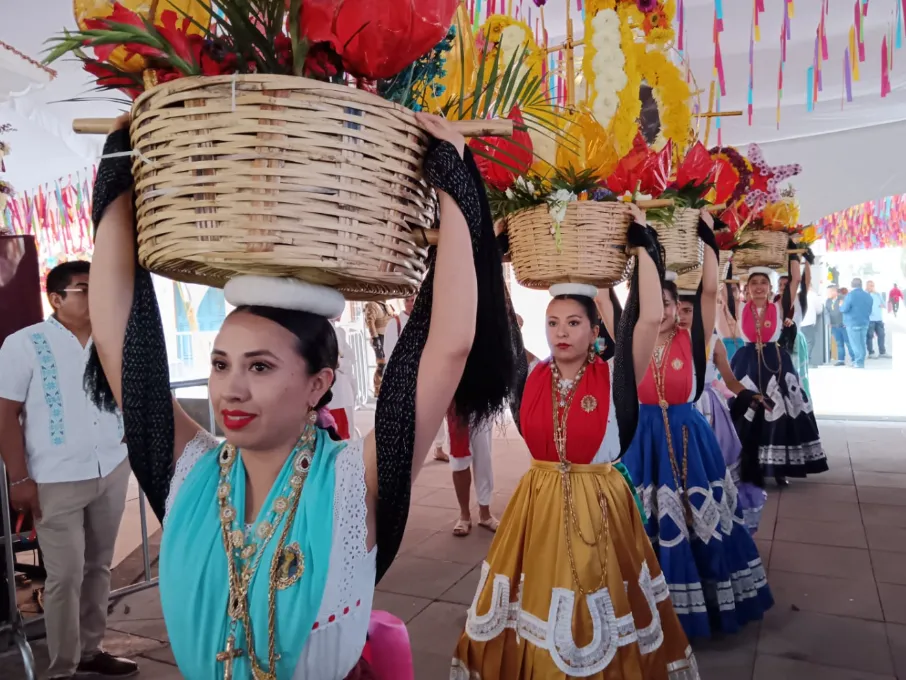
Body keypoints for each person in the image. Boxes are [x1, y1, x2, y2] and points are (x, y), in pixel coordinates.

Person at [86, 114, 517, 679]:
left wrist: (454, 183)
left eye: (260, 366)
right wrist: (119, 166)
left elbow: (448, 347)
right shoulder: (190, 473)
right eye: (220, 364)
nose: (230, 388)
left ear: (319, 384)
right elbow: (119, 336)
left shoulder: (349, 484)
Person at [452, 208, 699, 678]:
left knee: (597, 597)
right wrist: (494, 258)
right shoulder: (527, 378)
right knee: (535, 603)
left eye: (573, 324)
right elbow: (499, 320)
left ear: (593, 330)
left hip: (600, 507)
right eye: (553, 323)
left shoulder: (614, 379)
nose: (561, 333)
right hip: (536, 508)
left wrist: (643, 243)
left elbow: (645, 320)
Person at [623, 216, 773, 642]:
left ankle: (702, 603)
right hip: (642, 437)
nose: (672, 312)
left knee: (698, 520)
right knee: (643, 519)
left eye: (676, 305)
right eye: (663, 305)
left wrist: (709, 242)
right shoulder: (636, 338)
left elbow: (710, 291)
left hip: (690, 437)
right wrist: (639, 245)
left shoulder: (695, 340)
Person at [0, 260, 137, 680]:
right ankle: (63, 666)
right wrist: (20, 478)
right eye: (83, 288)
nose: (95, 295)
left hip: (110, 467)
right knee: (65, 574)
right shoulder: (25, 344)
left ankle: (92, 649)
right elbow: (5, 414)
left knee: (99, 566)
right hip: (54, 477)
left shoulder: (110, 339)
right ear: (56, 299)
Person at [729, 259, 828, 486]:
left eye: (764, 282)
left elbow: (794, 281)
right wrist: (731, 258)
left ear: (770, 287)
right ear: (747, 287)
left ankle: (779, 467)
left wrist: (795, 253)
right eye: (754, 283)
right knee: (746, 411)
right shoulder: (741, 306)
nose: (759, 287)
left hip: (775, 361)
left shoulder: (778, 306)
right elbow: (726, 284)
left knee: (780, 410)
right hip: (747, 363)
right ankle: (745, 467)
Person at [676, 296, 766, 534]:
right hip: (675, 410)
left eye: (687, 310)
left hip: (709, 409)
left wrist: (751, 395)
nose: (681, 316)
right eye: (676, 310)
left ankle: (720, 522)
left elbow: (730, 380)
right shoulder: (662, 342)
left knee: (715, 466)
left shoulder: (713, 342)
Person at [384, 292, 449, 462]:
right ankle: (408, 451)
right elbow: (390, 353)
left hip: (427, 373)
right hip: (406, 377)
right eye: (408, 300)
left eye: (414, 300)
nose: (411, 303)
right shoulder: (395, 323)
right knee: (409, 415)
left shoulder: (425, 321)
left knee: (436, 410)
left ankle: (439, 447)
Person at [447, 410, 497, 536]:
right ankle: (464, 515)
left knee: (483, 460)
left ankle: (485, 514)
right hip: (457, 409)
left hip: (482, 406)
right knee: (459, 463)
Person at [327, 317, 357, 439]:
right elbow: (333, 360)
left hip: (342, 391)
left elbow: (351, 357)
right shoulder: (325, 327)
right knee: (340, 437)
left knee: (345, 433)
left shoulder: (338, 330)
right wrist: (343, 363)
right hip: (335, 393)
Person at [363, 300, 396, 397]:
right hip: (379, 337)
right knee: (381, 364)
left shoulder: (386, 304)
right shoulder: (372, 304)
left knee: (389, 363)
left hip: (388, 336)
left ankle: (387, 387)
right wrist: (375, 338)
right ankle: (378, 390)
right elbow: (370, 322)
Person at [841, 278, 873, 368]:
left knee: (855, 344)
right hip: (865, 322)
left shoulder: (850, 295)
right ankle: (860, 361)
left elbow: (844, 309)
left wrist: (840, 305)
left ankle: (858, 362)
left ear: (852, 284)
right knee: (862, 343)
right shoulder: (868, 296)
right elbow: (869, 310)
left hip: (852, 323)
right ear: (861, 284)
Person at [825, 285, 852, 366]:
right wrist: (828, 322)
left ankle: (854, 359)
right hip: (834, 325)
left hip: (843, 325)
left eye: (829, 292)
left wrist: (846, 322)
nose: (827, 294)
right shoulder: (828, 301)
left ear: (834, 292)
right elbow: (827, 312)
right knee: (839, 343)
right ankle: (841, 360)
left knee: (848, 343)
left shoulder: (843, 299)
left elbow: (848, 310)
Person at [865, 280, 888, 359]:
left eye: (873, 285)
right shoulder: (865, 295)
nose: (872, 287)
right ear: (867, 286)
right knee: (869, 336)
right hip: (869, 319)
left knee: (881, 335)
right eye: (870, 285)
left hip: (878, 319)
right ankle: (871, 353)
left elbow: (885, 305)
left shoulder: (878, 294)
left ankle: (882, 352)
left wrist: (878, 295)